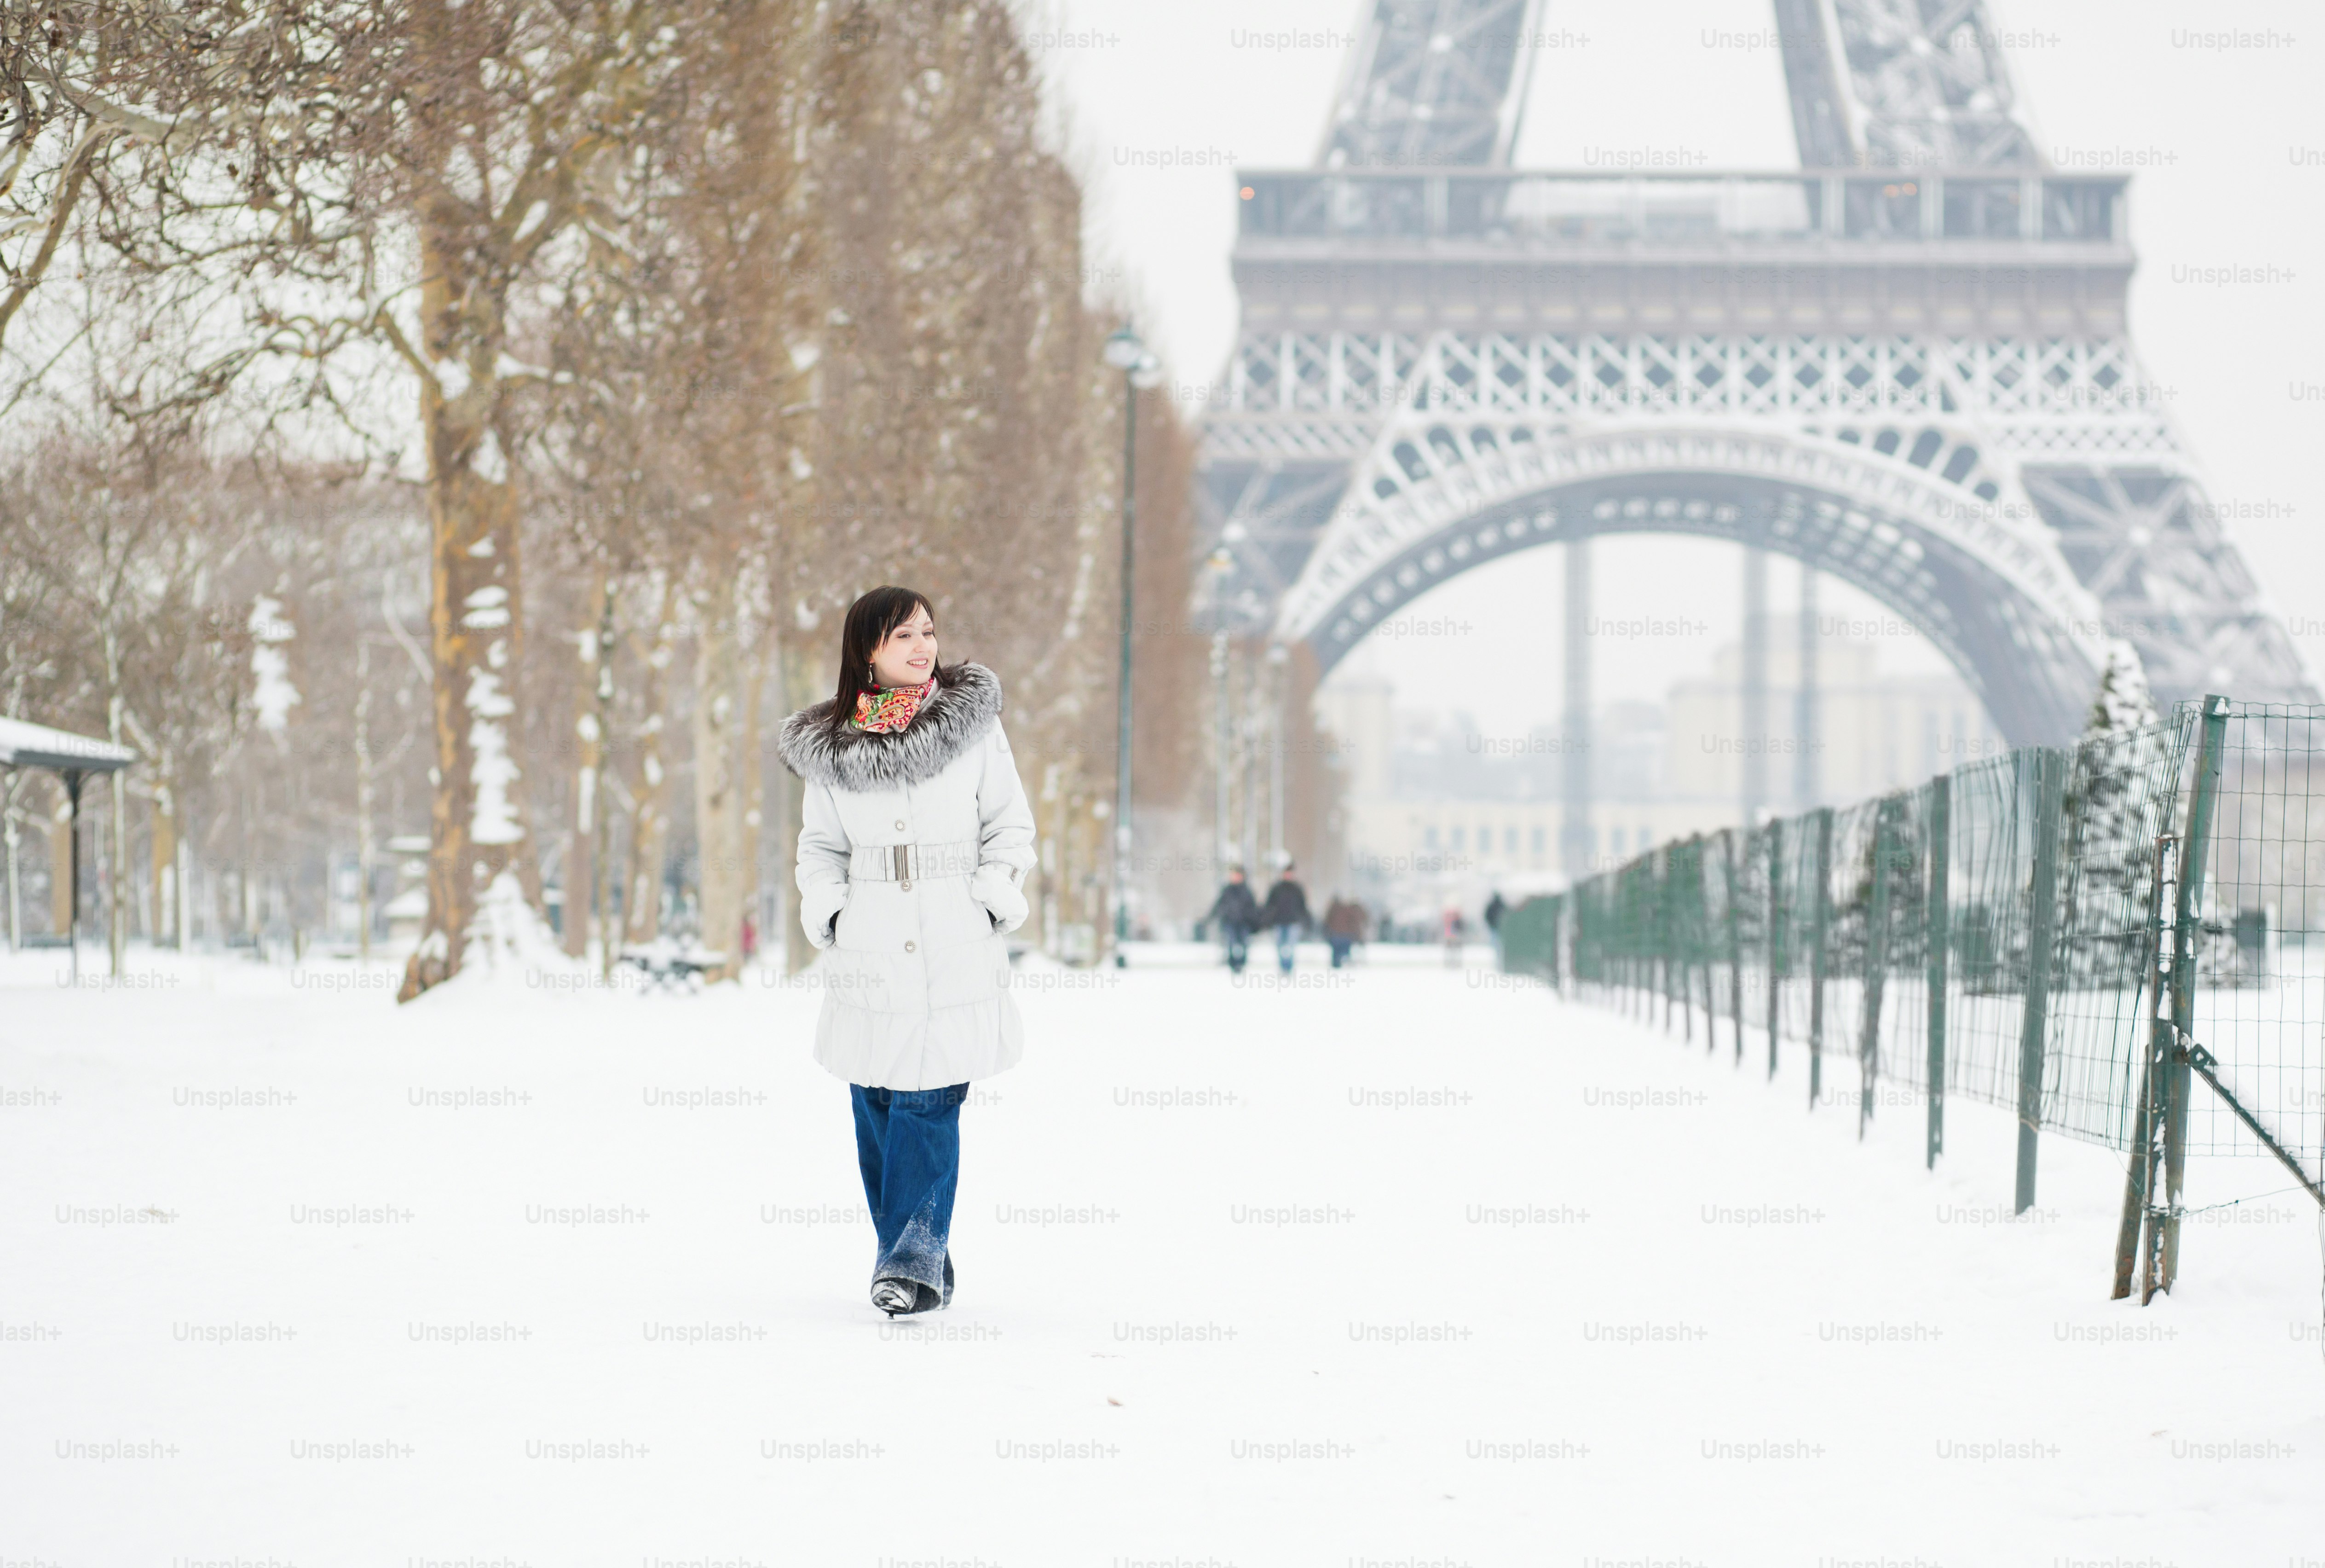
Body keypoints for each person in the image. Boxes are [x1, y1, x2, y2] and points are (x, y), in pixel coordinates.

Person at [778, 586, 1035, 1319]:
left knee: (929, 1101)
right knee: (878, 1105)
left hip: (953, 941)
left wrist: (988, 896)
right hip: (868, 949)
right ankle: (915, 1260)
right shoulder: (830, 747)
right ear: (868, 651)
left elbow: (1010, 826)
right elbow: (820, 847)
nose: (923, 647)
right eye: (903, 637)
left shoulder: (974, 729)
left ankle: (911, 1259)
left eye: (929, 632)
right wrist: (830, 910)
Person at [1205, 865, 1260, 974]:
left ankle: (1242, 963)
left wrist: (1255, 921)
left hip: (1244, 923)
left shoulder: (1247, 891)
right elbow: (1219, 905)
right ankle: (1233, 964)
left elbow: (1253, 908)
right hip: (1230, 922)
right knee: (1231, 943)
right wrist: (1209, 918)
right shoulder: (1227, 890)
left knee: (1244, 944)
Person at [1261, 861, 1311, 974]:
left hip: (1293, 922)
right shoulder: (1276, 888)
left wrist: (1307, 920)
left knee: (1291, 946)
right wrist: (1266, 920)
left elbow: (1303, 906)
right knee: (1280, 946)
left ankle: (1289, 968)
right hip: (1278, 922)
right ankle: (1282, 967)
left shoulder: (1297, 889)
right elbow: (1269, 906)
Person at [1322, 894, 1367, 968]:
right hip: (1346, 935)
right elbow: (1359, 921)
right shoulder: (1352, 909)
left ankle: (1338, 966)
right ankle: (1344, 965)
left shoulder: (1334, 909)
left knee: (1337, 955)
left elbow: (1327, 922)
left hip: (1336, 935)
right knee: (1344, 953)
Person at [1483, 890, 1507, 964]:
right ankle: (1498, 961)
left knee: (1496, 946)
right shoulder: (1501, 905)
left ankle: (1498, 961)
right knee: (1498, 946)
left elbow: (1487, 916)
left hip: (1496, 928)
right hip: (1498, 929)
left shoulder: (1493, 906)